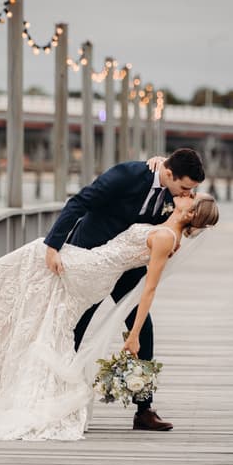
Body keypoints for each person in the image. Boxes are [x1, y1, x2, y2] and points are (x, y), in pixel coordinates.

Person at [0, 190, 219, 444]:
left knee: (39, 250)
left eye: (191, 197)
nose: (184, 195)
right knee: (48, 303)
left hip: (97, 269)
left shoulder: (167, 237)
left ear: (190, 213)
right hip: (95, 263)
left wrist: (134, 333)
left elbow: (148, 290)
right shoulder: (166, 226)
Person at [44, 148, 205, 431]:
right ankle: (57, 401)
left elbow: (182, 218)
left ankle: (144, 409)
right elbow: (79, 202)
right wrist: (53, 246)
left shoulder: (174, 194)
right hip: (95, 258)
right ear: (169, 174)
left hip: (127, 266)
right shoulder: (126, 175)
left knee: (143, 329)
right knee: (77, 327)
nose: (187, 195)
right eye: (184, 187)